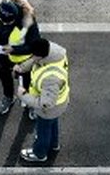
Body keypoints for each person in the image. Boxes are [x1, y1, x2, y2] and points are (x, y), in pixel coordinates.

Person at [14, 36, 69, 165]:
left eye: (34, 55)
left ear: (41, 56)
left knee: (43, 130)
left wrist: (24, 95)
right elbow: (34, 60)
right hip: (60, 103)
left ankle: (39, 154)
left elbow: (45, 103)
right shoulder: (53, 51)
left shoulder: (51, 78)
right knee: (52, 124)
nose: (32, 57)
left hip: (49, 108)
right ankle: (54, 145)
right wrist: (22, 67)